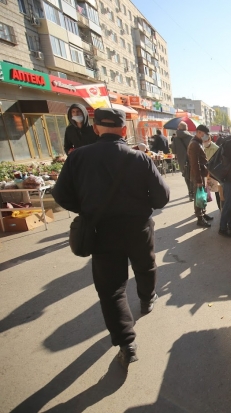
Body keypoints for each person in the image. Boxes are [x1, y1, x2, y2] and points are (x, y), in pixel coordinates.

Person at [52, 108, 170, 368]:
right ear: (125, 130)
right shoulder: (139, 158)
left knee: (111, 289)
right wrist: (143, 205)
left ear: (95, 129)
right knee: (145, 265)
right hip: (137, 227)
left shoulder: (78, 158)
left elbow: (60, 195)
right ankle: (147, 299)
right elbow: (162, 197)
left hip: (100, 231)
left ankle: (126, 343)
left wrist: (85, 208)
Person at [188, 124, 214, 227]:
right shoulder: (194, 144)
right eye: (204, 134)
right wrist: (199, 180)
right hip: (197, 175)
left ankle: (203, 213)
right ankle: (199, 218)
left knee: (202, 195)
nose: (206, 136)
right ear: (199, 132)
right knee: (198, 196)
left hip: (201, 173)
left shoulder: (198, 143)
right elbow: (195, 164)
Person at [171, 121, 193, 201]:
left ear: (179, 128)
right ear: (186, 128)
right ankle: (193, 192)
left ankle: (190, 192)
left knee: (186, 176)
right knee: (192, 176)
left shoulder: (176, 138)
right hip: (191, 160)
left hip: (182, 161)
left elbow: (173, 151)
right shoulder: (191, 137)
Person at [203, 134, 221, 210]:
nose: (205, 142)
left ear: (210, 140)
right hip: (205, 172)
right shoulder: (202, 148)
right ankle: (203, 211)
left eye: (206, 141)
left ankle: (220, 208)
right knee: (205, 192)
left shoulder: (216, 148)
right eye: (204, 141)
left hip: (214, 173)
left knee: (217, 191)